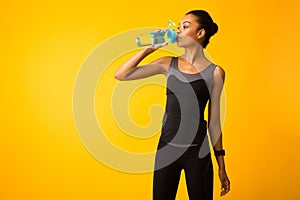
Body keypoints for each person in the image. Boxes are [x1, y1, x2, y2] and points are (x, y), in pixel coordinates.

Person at [114, 10, 230, 200]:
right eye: (178, 27)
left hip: (197, 153)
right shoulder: (168, 64)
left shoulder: (216, 73)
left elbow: (214, 122)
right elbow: (121, 75)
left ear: (200, 33)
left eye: (185, 26)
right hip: (166, 150)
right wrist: (149, 49)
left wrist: (221, 165)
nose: (178, 30)